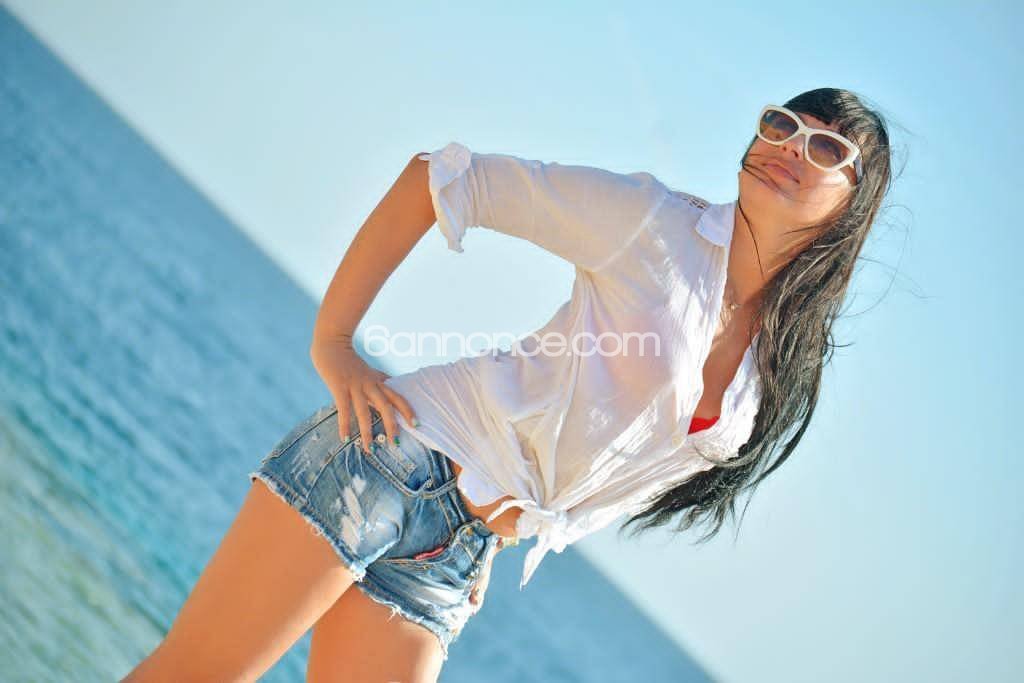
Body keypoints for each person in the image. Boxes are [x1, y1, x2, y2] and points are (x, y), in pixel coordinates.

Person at [123, 87, 893, 682]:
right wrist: (334, 342)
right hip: (392, 461)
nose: (791, 146)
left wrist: (511, 522)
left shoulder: (776, 372)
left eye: (826, 147)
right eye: (780, 124)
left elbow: (617, 462)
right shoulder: (655, 223)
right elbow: (442, 178)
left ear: (853, 204)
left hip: (457, 549)